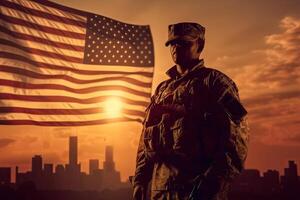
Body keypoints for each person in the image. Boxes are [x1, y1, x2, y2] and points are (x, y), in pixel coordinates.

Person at [132, 22, 249, 200]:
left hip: (198, 190)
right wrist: (140, 180)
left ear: (199, 46)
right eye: (172, 44)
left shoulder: (215, 83)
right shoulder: (162, 90)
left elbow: (237, 140)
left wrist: (212, 184)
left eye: (184, 43)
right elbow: (145, 139)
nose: (176, 48)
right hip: (161, 192)